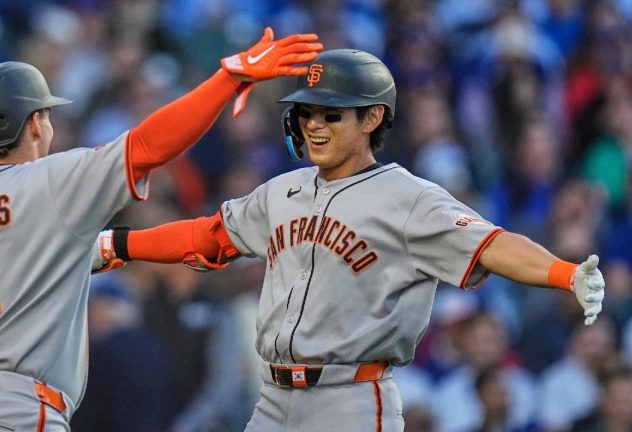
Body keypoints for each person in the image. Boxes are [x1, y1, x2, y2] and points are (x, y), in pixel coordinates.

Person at [93, 49, 606, 431]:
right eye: (308, 112)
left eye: (331, 113)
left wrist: (565, 274)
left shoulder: (410, 198)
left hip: (350, 399)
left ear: (373, 117)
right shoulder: (282, 191)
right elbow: (206, 237)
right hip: (272, 399)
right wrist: (118, 245)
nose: (314, 124)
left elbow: (491, 245)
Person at [0, 27, 322, 431]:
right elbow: (149, 145)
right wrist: (231, 77)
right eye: (46, 114)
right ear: (34, 123)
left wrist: (195, 238)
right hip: (18, 412)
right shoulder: (53, 184)